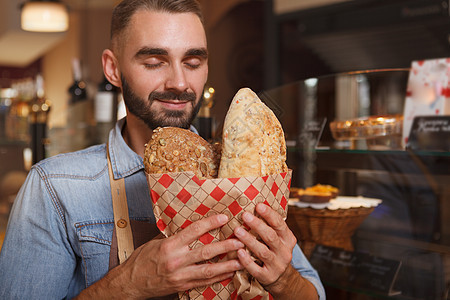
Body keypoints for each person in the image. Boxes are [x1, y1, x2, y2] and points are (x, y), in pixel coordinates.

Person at [0, 0, 325, 299]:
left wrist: (285, 281)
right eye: (155, 62)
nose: (180, 82)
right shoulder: (55, 187)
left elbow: (312, 293)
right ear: (113, 69)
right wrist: (127, 284)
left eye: (193, 61)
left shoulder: (244, 175)